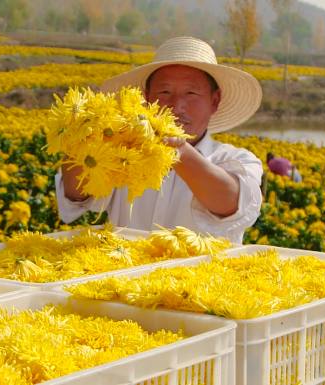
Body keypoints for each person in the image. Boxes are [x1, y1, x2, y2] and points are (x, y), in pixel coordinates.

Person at [55, 36, 264, 244]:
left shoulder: (237, 160)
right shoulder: (120, 151)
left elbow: (230, 203)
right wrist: (81, 138)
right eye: (164, 92)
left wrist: (177, 150)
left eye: (191, 93)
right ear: (146, 99)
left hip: (200, 277)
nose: (176, 105)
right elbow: (76, 194)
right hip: (123, 275)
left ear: (214, 101)